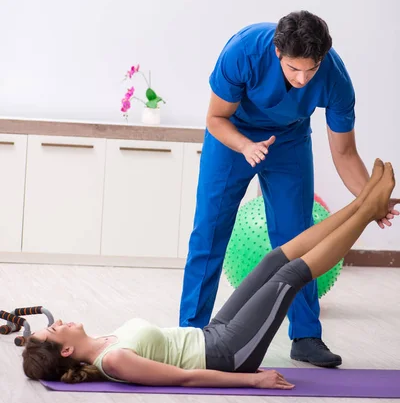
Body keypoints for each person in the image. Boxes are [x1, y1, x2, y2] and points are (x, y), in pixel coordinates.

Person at [23, 160, 398, 388]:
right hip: (227, 353)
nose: (62, 322)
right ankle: (368, 211)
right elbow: (185, 378)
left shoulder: (104, 341)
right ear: (67, 350)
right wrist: (253, 379)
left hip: (212, 334)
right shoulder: (114, 361)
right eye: (55, 330)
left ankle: (363, 201)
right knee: (289, 277)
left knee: (271, 261)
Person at [179, 11, 399, 367]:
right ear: (278, 53)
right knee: (209, 232)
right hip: (232, 136)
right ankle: (190, 331)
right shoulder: (244, 51)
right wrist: (245, 147)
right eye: (294, 69)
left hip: (290, 141)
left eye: (310, 70)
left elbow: (344, 153)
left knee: (298, 237)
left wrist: (371, 202)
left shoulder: (335, 79)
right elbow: (215, 118)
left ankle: (306, 336)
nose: (302, 79)